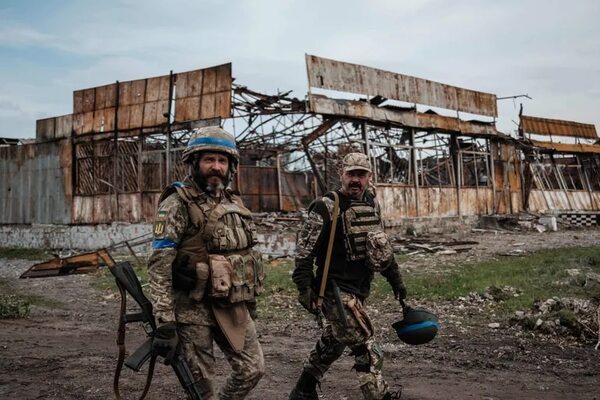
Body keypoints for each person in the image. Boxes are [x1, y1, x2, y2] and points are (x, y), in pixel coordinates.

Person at [147, 126, 265, 399]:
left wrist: (250, 303)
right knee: (201, 387)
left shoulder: (235, 202)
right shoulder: (177, 203)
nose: (216, 167)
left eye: (222, 161)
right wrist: (165, 320)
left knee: (253, 369)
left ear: (230, 166)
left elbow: (247, 256)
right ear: (194, 163)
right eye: (208, 160)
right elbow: (159, 263)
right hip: (192, 311)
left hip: (232, 305)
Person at [290, 152, 406, 400]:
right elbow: (304, 252)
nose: (356, 180)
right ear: (341, 175)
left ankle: (303, 390)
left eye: (361, 175)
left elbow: (380, 247)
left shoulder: (372, 205)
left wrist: (396, 280)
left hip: (359, 289)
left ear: (369, 177)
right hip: (334, 292)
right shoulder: (326, 206)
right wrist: (304, 287)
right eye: (351, 174)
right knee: (367, 347)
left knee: (334, 341)